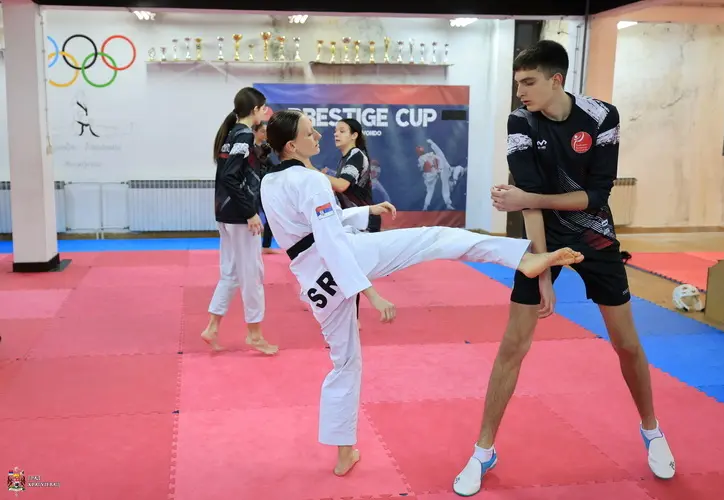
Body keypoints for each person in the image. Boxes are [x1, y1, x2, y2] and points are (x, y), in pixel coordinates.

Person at [260, 109, 584, 478]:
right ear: (291, 145)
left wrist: (367, 212)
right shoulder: (312, 180)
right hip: (343, 259)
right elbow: (331, 241)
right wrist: (371, 293)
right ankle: (522, 259)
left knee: (344, 362)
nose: (318, 135)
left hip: (313, 281)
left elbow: (312, 228)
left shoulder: (270, 182)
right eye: (309, 132)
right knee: (436, 238)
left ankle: (343, 454)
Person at [452, 40, 675, 497]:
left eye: (528, 82)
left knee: (626, 344)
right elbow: (529, 201)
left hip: (595, 236)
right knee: (512, 346)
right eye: (517, 83)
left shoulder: (601, 116)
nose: (520, 93)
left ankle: (652, 430)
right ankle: (482, 449)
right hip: (544, 237)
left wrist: (528, 198)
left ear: (556, 80)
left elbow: (594, 196)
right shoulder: (521, 121)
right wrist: (542, 267)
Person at [201, 87, 278, 355]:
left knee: (231, 273)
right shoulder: (243, 134)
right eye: (263, 108)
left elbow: (238, 170)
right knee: (252, 274)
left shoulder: (232, 133)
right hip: (239, 215)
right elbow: (231, 176)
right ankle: (254, 335)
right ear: (255, 109)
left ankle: (212, 327)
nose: (265, 112)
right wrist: (250, 212)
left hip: (225, 213)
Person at [320, 118, 379, 328]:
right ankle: (351, 317)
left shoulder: (356, 155)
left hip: (362, 220)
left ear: (354, 135)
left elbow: (342, 185)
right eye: (335, 131)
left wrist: (312, 173)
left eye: (342, 131)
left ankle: (354, 318)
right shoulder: (346, 157)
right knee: (345, 267)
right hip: (352, 218)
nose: (336, 134)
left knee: (350, 268)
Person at [250, 121, 278, 254]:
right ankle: (251, 246)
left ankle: (266, 245)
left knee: (271, 216)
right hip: (253, 189)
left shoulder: (264, 149)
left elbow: (272, 167)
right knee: (251, 217)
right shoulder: (251, 149)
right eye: (262, 131)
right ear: (254, 132)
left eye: (266, 132)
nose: (265, 134)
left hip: (264, 188)